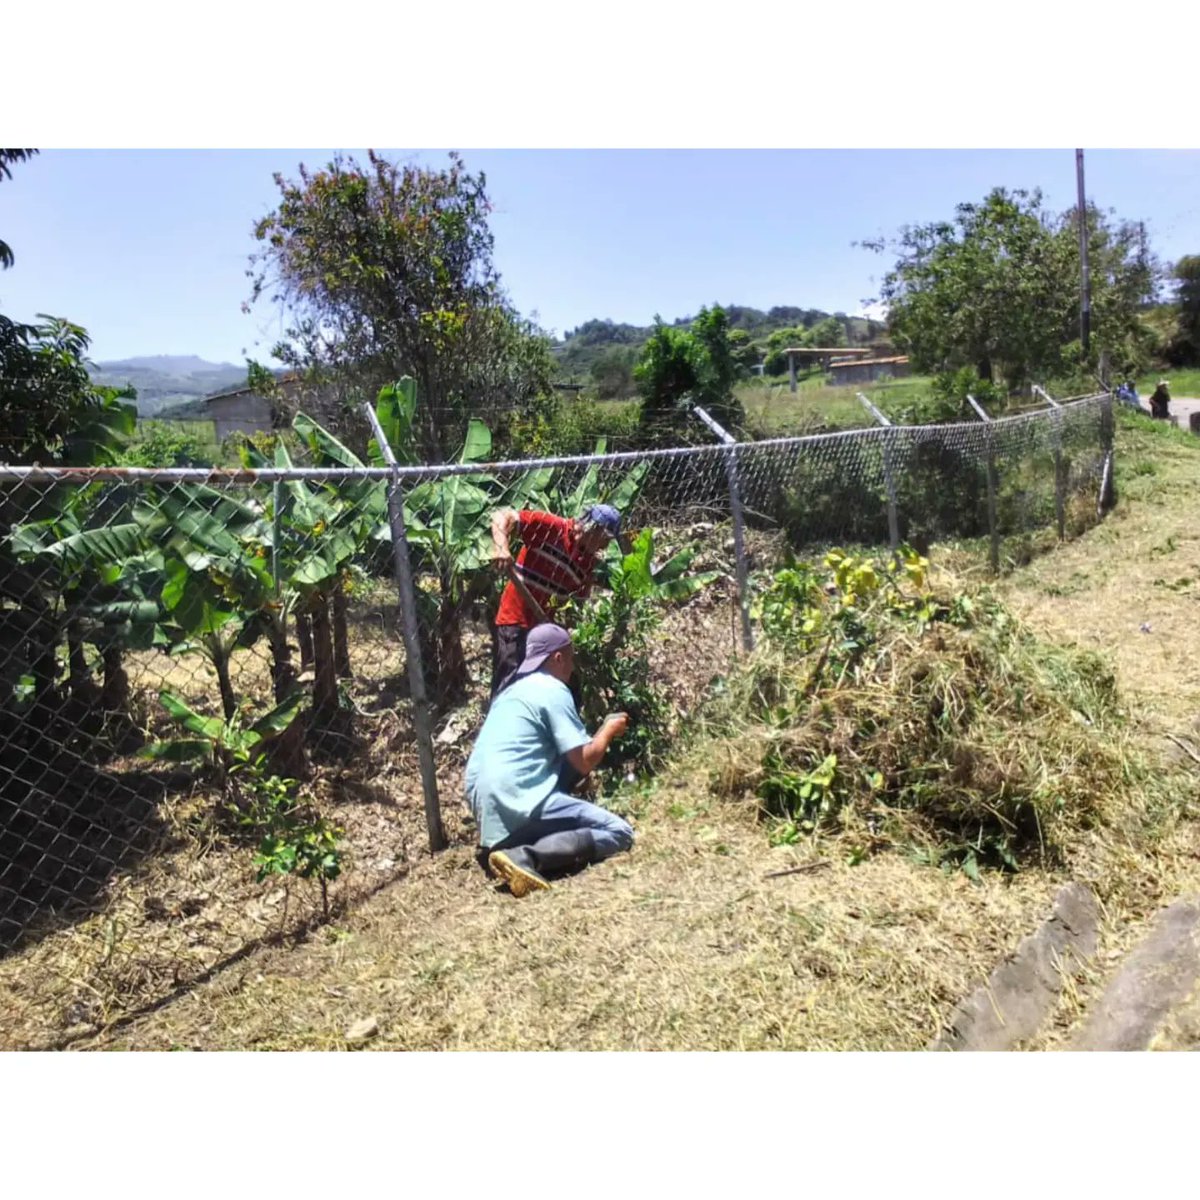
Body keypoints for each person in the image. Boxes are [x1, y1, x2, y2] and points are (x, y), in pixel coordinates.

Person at [465, 622, 634, 897]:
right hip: (519, 798)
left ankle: (507, 850)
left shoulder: (509, 694)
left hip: (490, 815)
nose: (572, 667)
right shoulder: (552, 689)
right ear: (558, 658)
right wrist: (607, 730)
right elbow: (583, 760)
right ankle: (526, 857)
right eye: (570, 658)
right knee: (619, 831)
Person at [488, 502, 625, 696]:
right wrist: (502, 548)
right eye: (605, 539)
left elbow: (575, 607)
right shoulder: (550, 527)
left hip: (544, 633)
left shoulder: (588, 564)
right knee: (508, 686)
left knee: (556, 690)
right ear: (593, 528)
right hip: (516, 620)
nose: (605, 546)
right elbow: (502, 515)